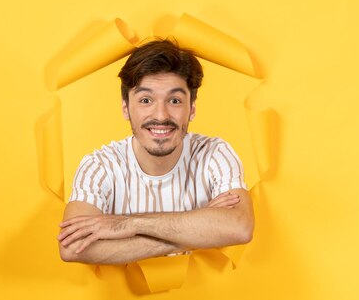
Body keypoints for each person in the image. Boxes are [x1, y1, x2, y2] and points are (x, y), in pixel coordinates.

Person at [58, 39, 254, 265]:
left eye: (174, 100)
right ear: (125, 108)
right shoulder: (99, 166)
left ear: (191, 109)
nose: (161, 115)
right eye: (146, 100)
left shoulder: (214, 154)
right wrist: (192, 234)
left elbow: (240, 227)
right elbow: (73, 248)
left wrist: (128, 224)